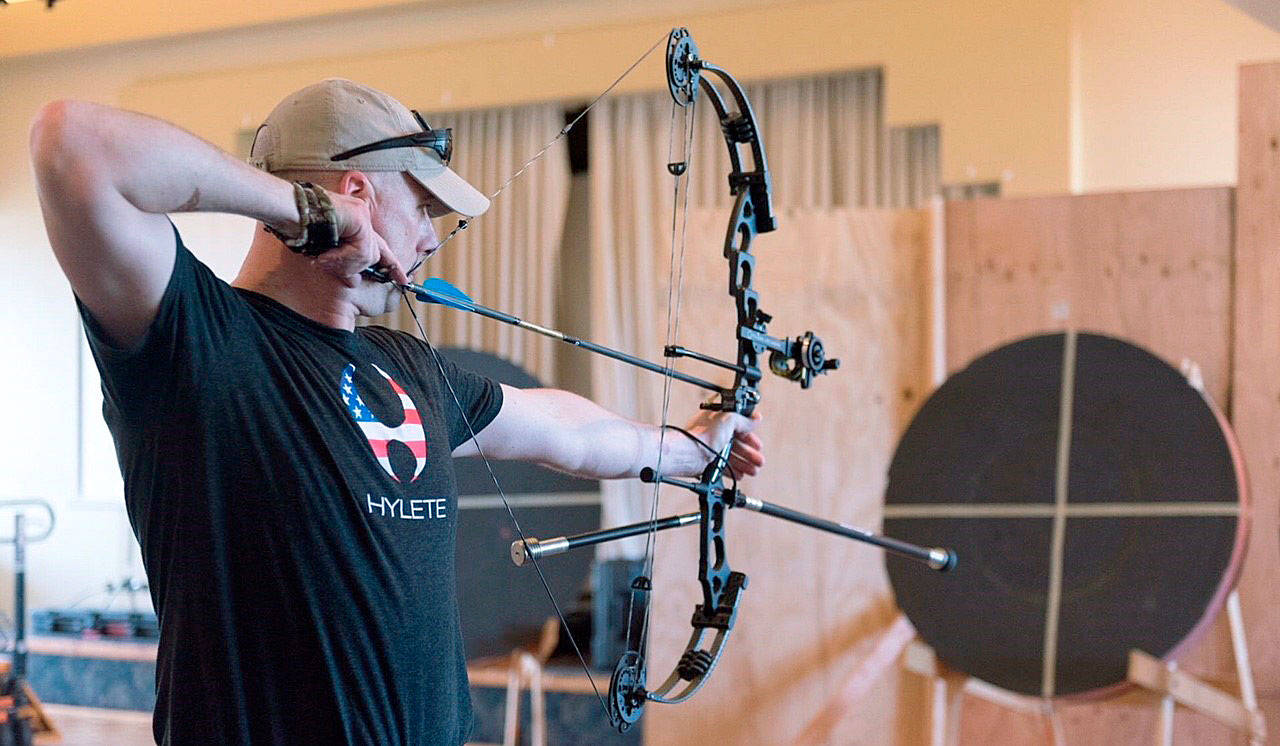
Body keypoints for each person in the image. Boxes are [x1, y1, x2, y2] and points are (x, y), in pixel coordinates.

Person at [28, 78, 763, 745]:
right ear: (355, 191)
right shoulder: (200, 340)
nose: (431, 239)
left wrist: (693, 449)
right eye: (423, 207)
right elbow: (71, 145)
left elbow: (563, 429)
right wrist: (302, 210)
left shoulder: (405, 365)